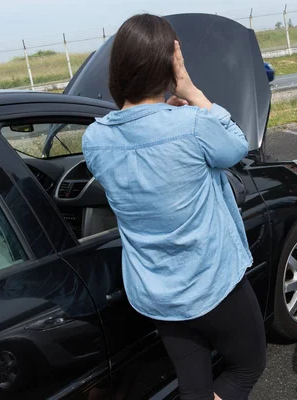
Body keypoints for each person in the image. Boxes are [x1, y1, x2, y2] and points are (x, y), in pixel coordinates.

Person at [81, 14, 266, 400]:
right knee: (247, 366)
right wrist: (193, 94)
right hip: (215, 284)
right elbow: (237, 145)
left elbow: (136, 139)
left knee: (193, 385)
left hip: (158, 293)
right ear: (171, 64)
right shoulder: (192, 125)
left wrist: (171, 110)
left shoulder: (95, 140)